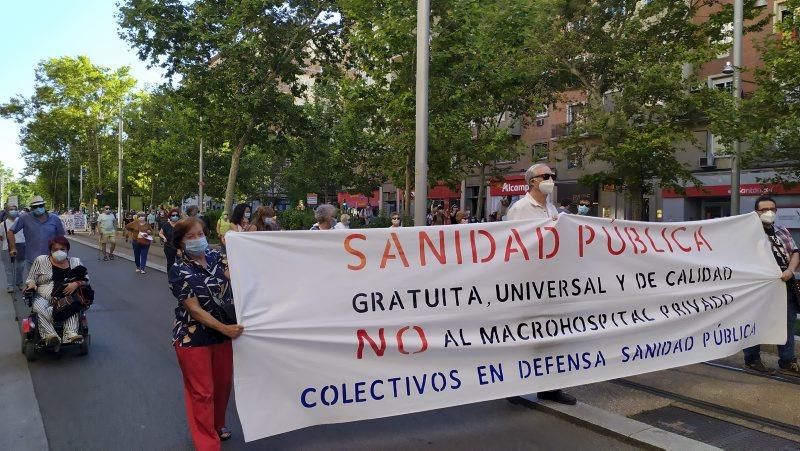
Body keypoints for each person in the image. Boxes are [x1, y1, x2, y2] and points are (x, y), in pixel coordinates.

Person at [169, 217, 243, 449]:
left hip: (223, 337)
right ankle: (206, 442)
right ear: (180, 243)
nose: (197, 239)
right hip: (194, 338)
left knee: (222, 386)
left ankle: (216, 425)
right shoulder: (178, 270)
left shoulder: (216, 257)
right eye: (190, 237)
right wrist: (225, 329)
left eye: (200, 234)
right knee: (202, 392)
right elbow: (195, 310)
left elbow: (239, 277)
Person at [505, 164, 576, 405]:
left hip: (551, 281)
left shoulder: (551, 207)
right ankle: (511, 386)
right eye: (546, 176)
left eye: (553, 176)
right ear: (532, 181)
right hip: (528, 283)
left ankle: (549, 388)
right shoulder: (520, 209)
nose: (551, 180)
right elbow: (512, 244)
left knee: (550, 337)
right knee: (524, 337)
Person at [743, 196, 800, 375]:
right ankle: (752, 359)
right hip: (758, 289)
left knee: (786, 324)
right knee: (754, 322)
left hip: (784, 285)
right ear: (755, 212)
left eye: (772, 209)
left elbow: (795, 252)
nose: (768, 213)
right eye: (764, 209)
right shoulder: (746, 234)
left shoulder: (782, 230)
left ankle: (787, 361)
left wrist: (790, 271)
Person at [25, 237, 86, 345]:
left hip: (66, 295)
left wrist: (76, 283)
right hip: (44, 296)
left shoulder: (75, 261)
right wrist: (32, 283)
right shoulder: (41, 260)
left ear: (67, 250)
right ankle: (50, 335)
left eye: (62, 249)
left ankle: (70, 334)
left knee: (72, 304)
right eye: (55, 249)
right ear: (50, 251)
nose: (59, 252)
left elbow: (86, 280)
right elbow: (31, 278)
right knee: (39, 306)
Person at [8, 196, 66, 279]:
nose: (38, 208)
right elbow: (10, 232)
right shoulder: (25, 218)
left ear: (44, 206)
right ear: (31, 208)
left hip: (51, 258)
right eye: (35, 207)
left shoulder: (55, 219)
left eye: (41, 206)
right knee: (33, 284)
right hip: (32, 259)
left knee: (49, 284)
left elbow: (61, 237)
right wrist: (13, 248)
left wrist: (62, 252)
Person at [0, 202, 25, 292]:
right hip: (6, 247)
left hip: (21, 246)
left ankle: (20, 283)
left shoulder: (22, 221)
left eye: (15, 209)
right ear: (6, 211)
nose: (13, 211)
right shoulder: (3, 224)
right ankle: (10, 285)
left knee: (20, 266)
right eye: (11, 209)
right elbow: (1, 237)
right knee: (8, 268)